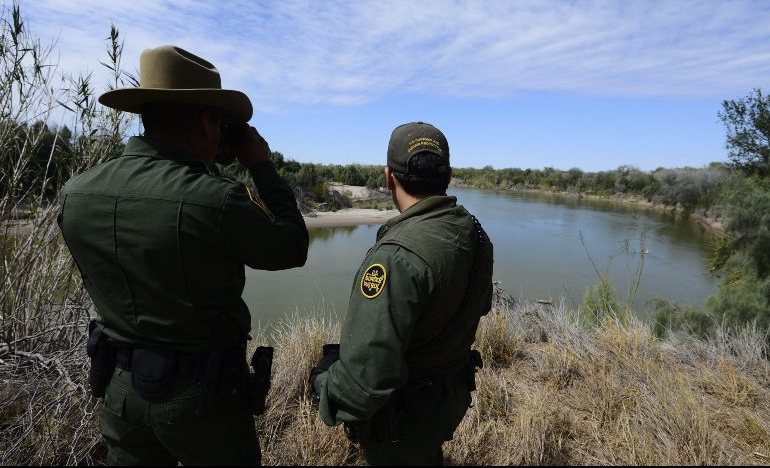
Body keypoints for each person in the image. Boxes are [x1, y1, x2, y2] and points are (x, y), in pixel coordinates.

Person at [57, 45, 309, 465]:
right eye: (220, 123)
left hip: (120, 390)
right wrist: (261, 166)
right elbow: (292, 247)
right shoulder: (216, 200)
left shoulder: (77, 194)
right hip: (202, 398)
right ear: (206, 120)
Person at [310, 122, 494, 465]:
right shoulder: (473, 233)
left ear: (388, 177)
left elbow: (364, 383)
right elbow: (478, 307)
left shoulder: (395, 258)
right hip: (443, 404)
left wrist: (323, 383)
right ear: (449, 175)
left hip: (401, 424)